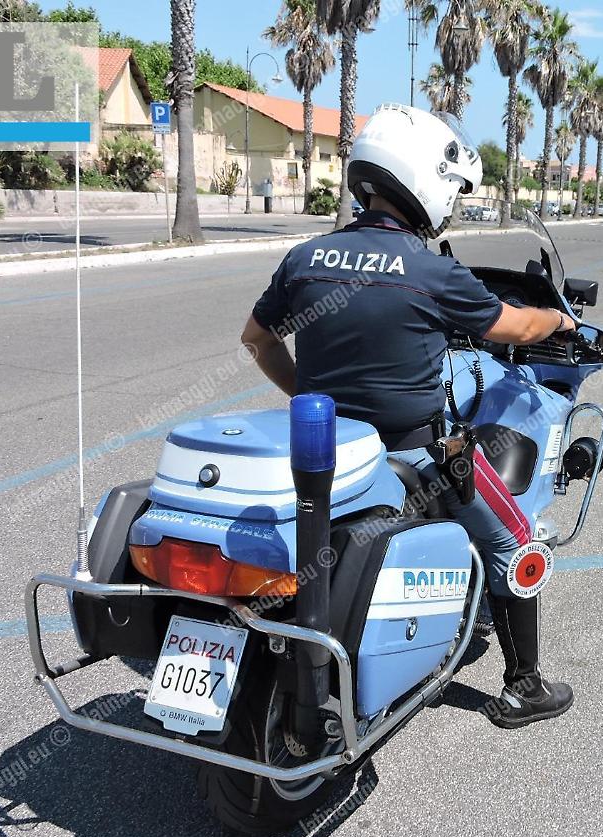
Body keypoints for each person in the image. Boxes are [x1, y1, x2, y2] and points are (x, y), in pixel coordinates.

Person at [241, 104, 576, 729]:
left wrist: (309, 401)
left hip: (326, 455)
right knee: (516, 543)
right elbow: (518, 324)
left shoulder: (306, 259)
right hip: (416, 457)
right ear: (427, 181)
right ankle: (523, 685)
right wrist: (560, 320)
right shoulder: (432, 271)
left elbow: (256, 339)